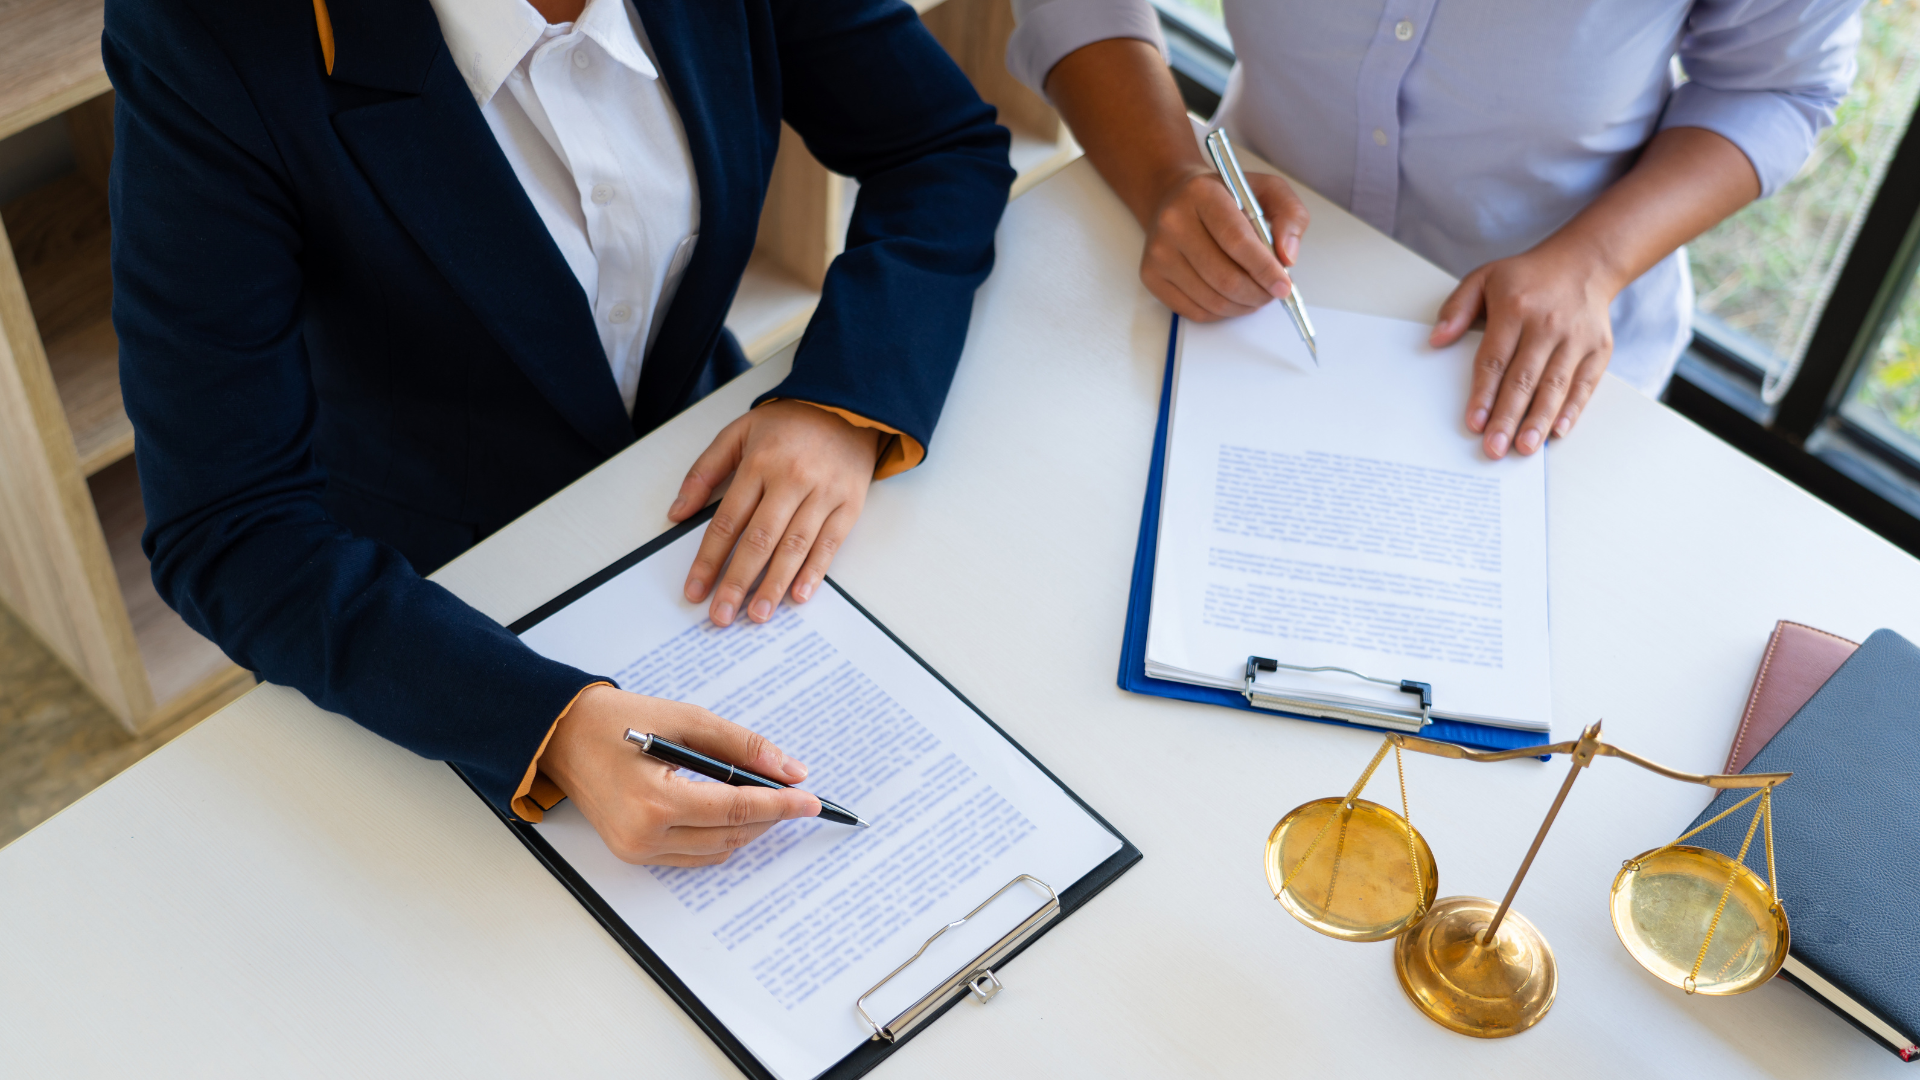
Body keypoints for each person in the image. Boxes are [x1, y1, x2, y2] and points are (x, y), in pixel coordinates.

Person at [107, 0, 1014, 866]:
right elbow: (225, 528)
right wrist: (549, 726)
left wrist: (840, 402)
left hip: (705, 491)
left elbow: (938, 148)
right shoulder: (206, 30)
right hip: (431, 606)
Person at [1009, 0, 1862, 458]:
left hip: (1541, 358)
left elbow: (1776, 86)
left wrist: (1594, 263)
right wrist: (1165, 172)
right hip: (1236, 285)